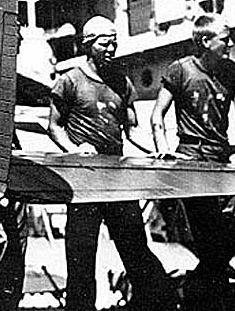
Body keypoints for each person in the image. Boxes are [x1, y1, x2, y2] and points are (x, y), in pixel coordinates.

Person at [49, 16, 177, 311]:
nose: (112, 48)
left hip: (117, 184)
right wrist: (74, 149)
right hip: (84, 186)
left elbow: (132, 129)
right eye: (105, 42)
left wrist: (159, 151)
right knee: (81, 261)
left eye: (114, 41)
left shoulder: (121, 81)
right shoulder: (69, 81)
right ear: (88, 45)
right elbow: (54, 126)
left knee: (136, 251)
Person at [150, 13, 235, 309]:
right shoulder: (180, 70)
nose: (231, 43)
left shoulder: (233, 72)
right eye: (225, 39)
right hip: (192, 159)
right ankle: (211, 298)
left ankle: (196, 290)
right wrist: (163, 148)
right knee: (208, 241)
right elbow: (157, 116)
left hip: (221, 158)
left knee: (231, 241)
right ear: (206, 41)